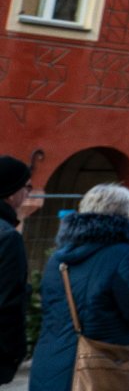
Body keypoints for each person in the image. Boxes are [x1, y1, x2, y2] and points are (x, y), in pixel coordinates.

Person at [29, 184, 129, 391]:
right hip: (99, 362)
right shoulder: (123, 255)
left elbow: (49, 307)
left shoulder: (57, 259)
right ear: (123, 215)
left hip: (50, 360)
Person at [0, 157, 30, 386]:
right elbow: (9, 301)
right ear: (11, 193)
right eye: (26, 187)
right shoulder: (8, 238)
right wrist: (14, 352)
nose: (28, 193)